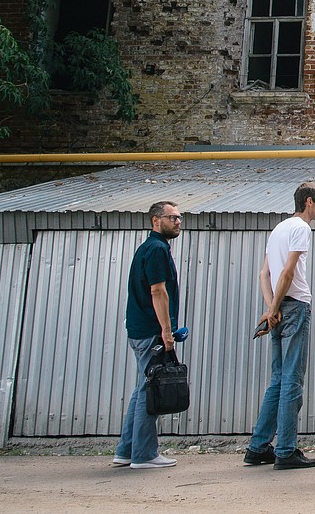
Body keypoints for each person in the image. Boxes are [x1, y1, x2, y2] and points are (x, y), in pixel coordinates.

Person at [245, 183, 315, 470]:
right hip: (294, 305)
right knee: (292, 380)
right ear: (308, 202)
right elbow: (288, 271)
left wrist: (270, 309)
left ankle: (258, 447)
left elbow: (264, 273)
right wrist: (276, 308)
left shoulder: (278, 229)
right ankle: (286, 451)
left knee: (278, 379)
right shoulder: (301, 228)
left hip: (278, 309)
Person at [113, 201, 183, 470]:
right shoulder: (155, 249)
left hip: (140, 328)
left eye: (179, 218)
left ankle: (127, 450)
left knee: (144, 387)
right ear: (156, 220)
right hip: (151, 330)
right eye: (172, 218)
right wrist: (166, 331)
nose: (178, 222)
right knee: (151, 391)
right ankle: (144, 454)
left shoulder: (151, 247)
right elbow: (158, 291)